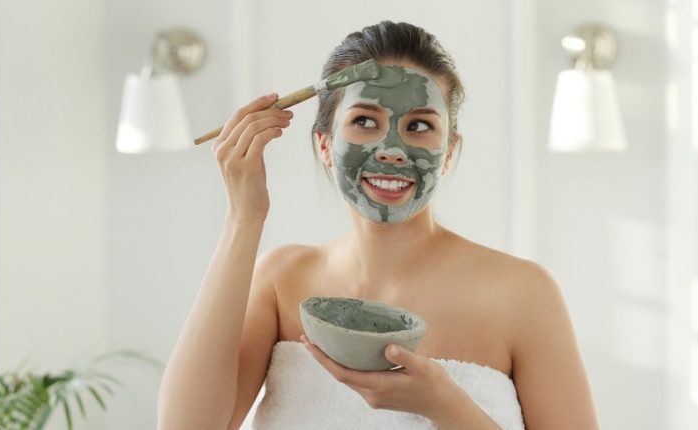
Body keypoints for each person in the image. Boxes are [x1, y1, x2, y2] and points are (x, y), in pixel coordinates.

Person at [157, 21, 600, 430]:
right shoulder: (280, 280)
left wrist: (446, 405)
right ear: (325, 145)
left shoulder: (523, 294)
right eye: (365, 121)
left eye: (419, 125)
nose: (392, 149)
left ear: (448, 151)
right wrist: (243, 217)